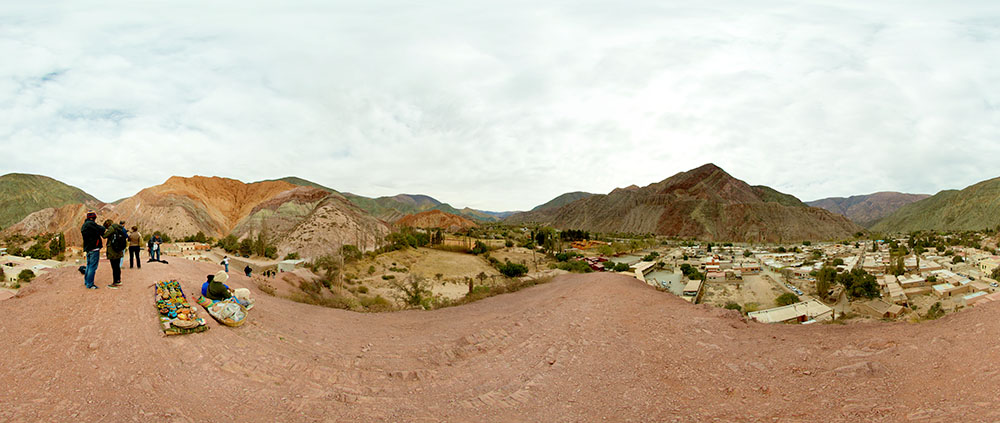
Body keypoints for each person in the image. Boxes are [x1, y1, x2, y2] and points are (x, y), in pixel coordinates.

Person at [80, 211, 104, 290]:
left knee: (89, 265)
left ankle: (87, 281)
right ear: (93, 218)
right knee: (93, 267)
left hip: (88, 248)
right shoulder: (91, 224)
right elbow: (102, 229)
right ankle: (90, 284)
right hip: (94, 248)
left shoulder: (84, 225)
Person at [102, 219, 126, 288]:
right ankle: (118, 280)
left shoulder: (112, 228)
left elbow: (104, 236)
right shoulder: (119, 228)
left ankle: (115, 282)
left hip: (113, 250)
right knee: (117, 266)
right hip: (119, 250)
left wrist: (103, 231)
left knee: (114, 267)